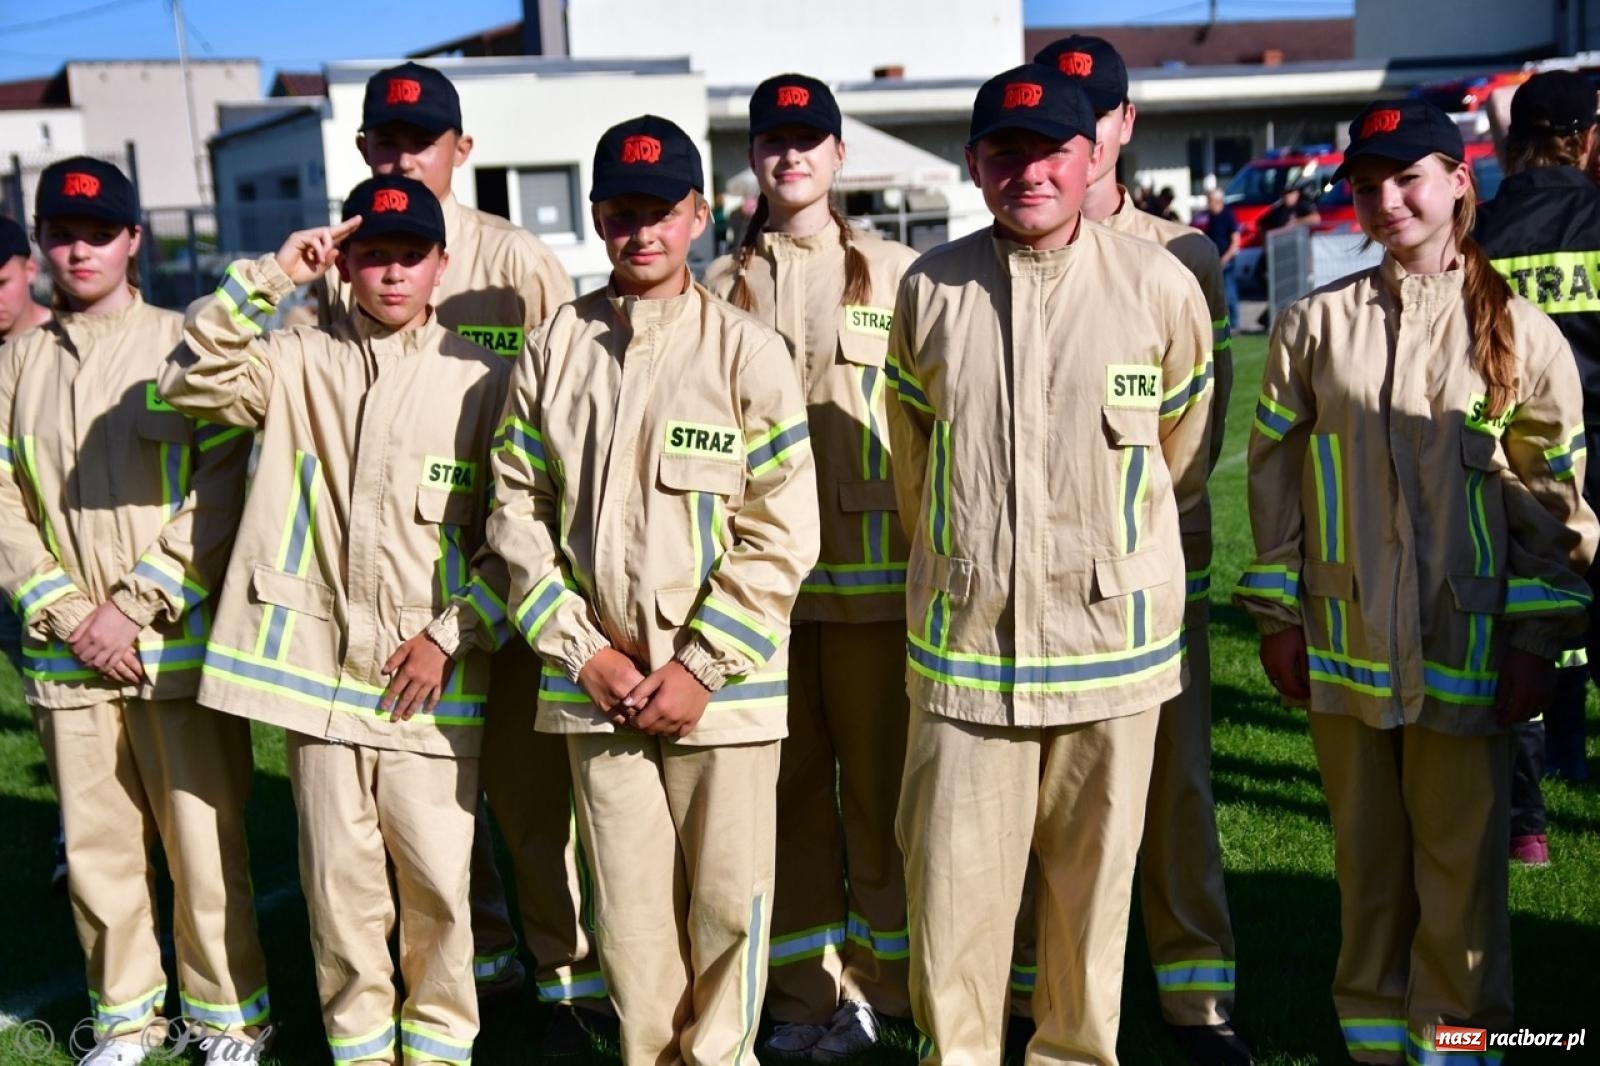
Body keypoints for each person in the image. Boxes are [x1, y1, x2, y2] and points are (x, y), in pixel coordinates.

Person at [1235, 99, 1597, 1066]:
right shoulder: (1314, 326)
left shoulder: (1523, 335)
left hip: (1466, 650)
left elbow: (1554, 505)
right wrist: (1276, 615)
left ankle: (1456, 1043)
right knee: (1368, 865)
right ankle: (1372, 1043)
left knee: (1462, 871)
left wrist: (1537, 642)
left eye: (1407, 179)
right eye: (1367, 187)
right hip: (1345, 645)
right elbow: (1273, 481)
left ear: (1458, 183)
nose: (1387, 201)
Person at [886, 64, 1214, 1065]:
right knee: (952, 903)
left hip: (1109, 649)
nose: (1028, 172)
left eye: (1050, 152)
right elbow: (915, 464)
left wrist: (1109, 551)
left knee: (1089, 902)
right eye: (1005, 153)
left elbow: (1178, 454)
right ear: (974, 163)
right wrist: (968, 562)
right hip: (968, 652)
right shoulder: (930, 287)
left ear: (1090, 155)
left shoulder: (1158, 285)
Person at [486, 114, 819, 1066]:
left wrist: (701, 667)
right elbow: (515, 513)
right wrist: (582, 651)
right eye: (623, 212)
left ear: (699, 215)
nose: (643, 232)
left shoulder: (747, 351)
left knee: (728, 904)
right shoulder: (555, 345)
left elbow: (782, 529)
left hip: (724, 691)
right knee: (630, 917)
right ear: (598, 218)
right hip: (594, 687)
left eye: (662, 211)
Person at [162, 173, 511, 1066]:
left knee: (437, 889)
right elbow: (190, 378)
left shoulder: (483, 378)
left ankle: (438, 1050)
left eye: (409, 256)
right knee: (339, 890)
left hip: (430, 682)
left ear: (440, 265)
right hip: (314, 678)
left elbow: (517, 535)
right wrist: (272, 276)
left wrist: (452, 636)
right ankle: (359, 1049)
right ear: (345, 265)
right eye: (373, 255)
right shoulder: (294, 359)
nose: (392, 273)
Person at [332, 60, 606, 1043]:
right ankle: (481, 960)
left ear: (462, 148)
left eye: (424, 140)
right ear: (365, 148)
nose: (405, 155)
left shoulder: (516, 260)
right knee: (432, 800)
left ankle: (565, 974)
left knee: (530, 801)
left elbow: (569, 395)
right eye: (388, 139)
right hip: (401, 581)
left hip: (509, 565)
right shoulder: (349, 252)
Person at [0, 157, 267, 1066]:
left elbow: (224, 488)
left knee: (203, 846)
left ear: (132, 242)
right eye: (62, 234)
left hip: (172, 651)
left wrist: (135, 605)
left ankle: (230, 1021)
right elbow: (2, 505)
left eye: (99, 233)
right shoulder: (14, 365)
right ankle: (124, 1021)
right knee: (98, 850)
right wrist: (71, 613)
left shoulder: (182, 345)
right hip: (67, 656)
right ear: (40, 244)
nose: (80, 250)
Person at [1035, 33, 1246, 1065]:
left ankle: (1195, 996)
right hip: (1039, 576)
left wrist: (1155, 547)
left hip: (1151, 567)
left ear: (1123, 123)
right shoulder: (1010, 244)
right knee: (1048, 796)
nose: (1078, 130)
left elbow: (1197, 431)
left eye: (1096, 112)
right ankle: (1047, 990)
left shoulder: (1182, 256)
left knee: (1174, 784)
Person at [703, 74, 920, 1061]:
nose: (790, 156)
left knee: (882, 799)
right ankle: (803, 993)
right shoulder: (715, 286)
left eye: (808, 140)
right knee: (785, 806)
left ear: (838, 154)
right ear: (753, 158)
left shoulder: (902, 275)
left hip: (878, 597)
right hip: (762, 605)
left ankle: (886, 987)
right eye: (772, 141)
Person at [1476, 72, 1600, 841]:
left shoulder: (1482, 231)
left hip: (1518, 458)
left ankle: (1525, 825)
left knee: (1522, 626)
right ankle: (1576, 757)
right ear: (1586, 139)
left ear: (1515, 140)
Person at [1198, 188, 1242, 333]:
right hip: (1214, 260)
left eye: (1209, 201)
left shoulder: (1228, 216)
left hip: (1226, 261)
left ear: (1217, 201)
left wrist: (1225, 259)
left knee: (1229, 292)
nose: (1208, 204)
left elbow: (1235, 241)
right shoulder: (1211, 217)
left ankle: (1234, 323)